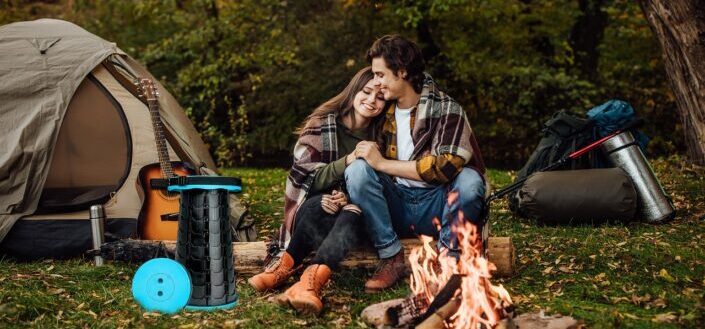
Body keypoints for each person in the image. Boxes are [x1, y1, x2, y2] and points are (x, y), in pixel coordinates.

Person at [345, 35, 487, 293]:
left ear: (402, 72)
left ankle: (450, 259)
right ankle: (391, 257)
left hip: (437, 204)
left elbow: (444, 167)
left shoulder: (447, 109)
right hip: (395, 206)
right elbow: (348, 136)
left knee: (469, 179)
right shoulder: (381, 111)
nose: (375, 82)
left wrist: (383, 164)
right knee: (357, 171)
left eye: (380, 74)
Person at [248, 66, 387, 315]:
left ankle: (309, 284)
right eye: (366, 92)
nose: (371, 100)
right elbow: (305, 176)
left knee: (353, 212)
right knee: (320, 203)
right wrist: (348, 160)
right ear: (354, 90)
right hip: (313, 206)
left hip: (353, 211)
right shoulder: (322, 124)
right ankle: (283, 269)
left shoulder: (382, 137)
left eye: (380, 98)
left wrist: (345, 197)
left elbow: (375, 186)